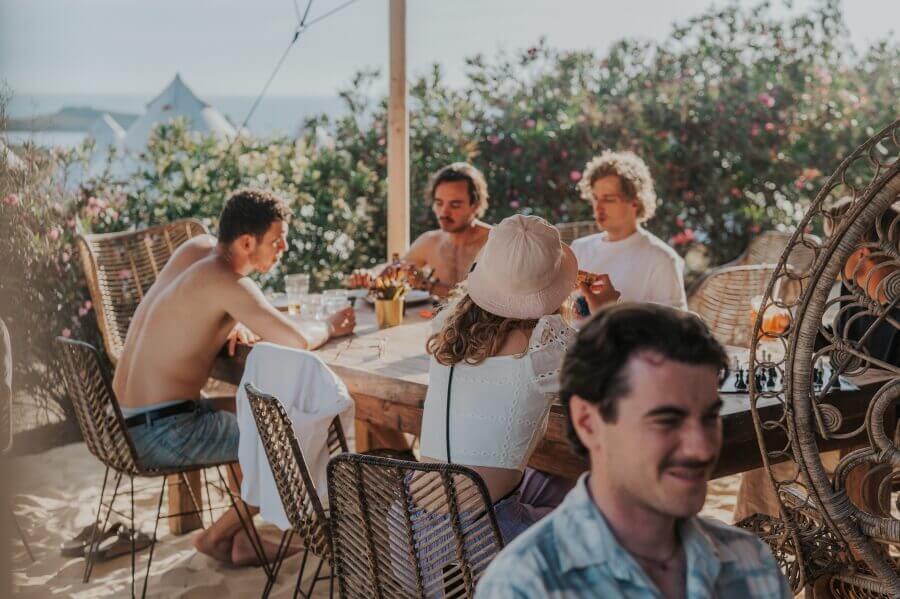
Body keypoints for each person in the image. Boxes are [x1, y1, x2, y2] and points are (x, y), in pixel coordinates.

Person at [477, 303, 791, 598]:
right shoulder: (525, 585)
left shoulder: (752, 563)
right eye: (666, 420)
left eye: (709, 417)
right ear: (588, 423)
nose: (702, 447)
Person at [112, 188, 356, 565]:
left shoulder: (196, 250)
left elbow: (188, 311)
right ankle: (215, 537)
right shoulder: (226, 281)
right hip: (162, 432)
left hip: (126, 420)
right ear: (246, 242)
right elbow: (296, 340)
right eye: (276, 241)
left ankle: (244, 539)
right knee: (282, 446)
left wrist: (236, 318)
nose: (284, 248)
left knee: (253, 418)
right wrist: (328, 324)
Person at [420, 214, 611, 543]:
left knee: (556, 480)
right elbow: (615, 383)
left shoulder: (446, 326)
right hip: (483, 540)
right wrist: (607, 312)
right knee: (608, 521)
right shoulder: (544, 345)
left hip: (410, 534)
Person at [571, 150, 688, 312]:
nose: (598, 208)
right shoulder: (578, 249)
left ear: (635, 201)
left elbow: (677, 329)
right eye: (595, 198)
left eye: (609, 199)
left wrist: (614, 308)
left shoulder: (662, 259)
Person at [396, 162, 492, 297]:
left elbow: (492, 299)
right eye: (439, 203)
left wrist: (427, 285)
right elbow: (396, 269)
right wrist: (368, 275)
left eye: (455, 204)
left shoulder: (495, 242)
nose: (444, 212)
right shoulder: (430, 242)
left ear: (475, 205)